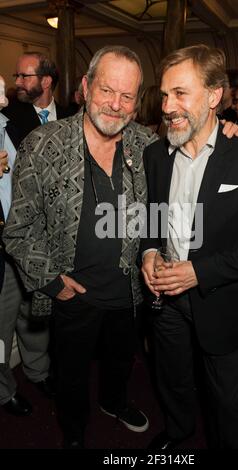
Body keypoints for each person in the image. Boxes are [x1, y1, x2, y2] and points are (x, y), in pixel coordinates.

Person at [3, 45, 159, 449]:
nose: (115, 104)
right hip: (73, 295)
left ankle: (114, 401)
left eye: (127, 96)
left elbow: (197, 157)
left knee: (122, 362)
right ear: (86, 87)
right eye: (107, 90)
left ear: (137, 101)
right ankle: (74, 431)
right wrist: (53, 282)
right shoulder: (41, 144)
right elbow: (17, 229)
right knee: (70, 375)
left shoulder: (150, 145)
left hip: (131, 292)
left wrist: (232, 134)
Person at [141, 44, 238, 449]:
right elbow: (151, 215)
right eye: (165, 93)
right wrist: (149, 253)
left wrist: (199, 272)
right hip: (164, 299)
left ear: (214, 96)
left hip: (221, 301)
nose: (168, 106)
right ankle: (179, 434)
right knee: (173, 379)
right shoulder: (156, 155)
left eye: (180, 93)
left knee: (225, 397)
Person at [0, 74, 54, 416]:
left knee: (33, 313)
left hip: (28, 239)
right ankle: (4, 391)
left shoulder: (12, 124)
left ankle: (38, 371)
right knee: (0, 330)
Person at [2, 52, 73, 142]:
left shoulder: (70, 118)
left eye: (24, 76)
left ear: (46, 82)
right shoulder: (8, 117)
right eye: (17, 76)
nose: (17, 82)